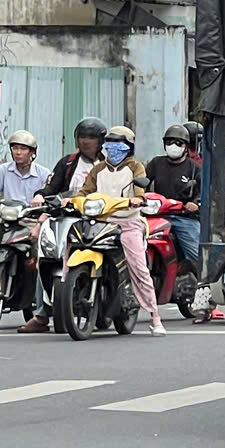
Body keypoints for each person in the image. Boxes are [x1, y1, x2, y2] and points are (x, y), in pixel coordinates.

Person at [21, 117, 107, 333]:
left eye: (91, 137)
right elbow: (51, 188)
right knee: (45, 256)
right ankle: (41, 315)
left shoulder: (108, 165)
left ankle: (113, 300)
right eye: (82, 137)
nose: (86, 141)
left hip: (100, 219)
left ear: (101, 141)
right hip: (66, 218)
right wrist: (41, 196)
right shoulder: (67, 163)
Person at [146, 122, 225, 322]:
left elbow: (205, 193)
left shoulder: (195, 168)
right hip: (157, 216)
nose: (172, 146)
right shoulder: (156, 164)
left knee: (198, 256)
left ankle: (207, 301)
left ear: (185, 146)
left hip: (184, 217)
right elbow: (143, 184)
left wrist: (195, 204)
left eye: (177, 143)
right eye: (169, 142)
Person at [84, 122, 162, 335]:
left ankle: (155, 316)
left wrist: (138, 199)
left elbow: (140, 191)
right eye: (109, 143)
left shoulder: (135, 168)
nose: (113, 148)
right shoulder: (98, 170)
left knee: (139, 267)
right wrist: (70, 200)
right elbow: (85, 191)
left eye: (119, 143)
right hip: (101, 223)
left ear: (129, 147)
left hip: (129, 223)